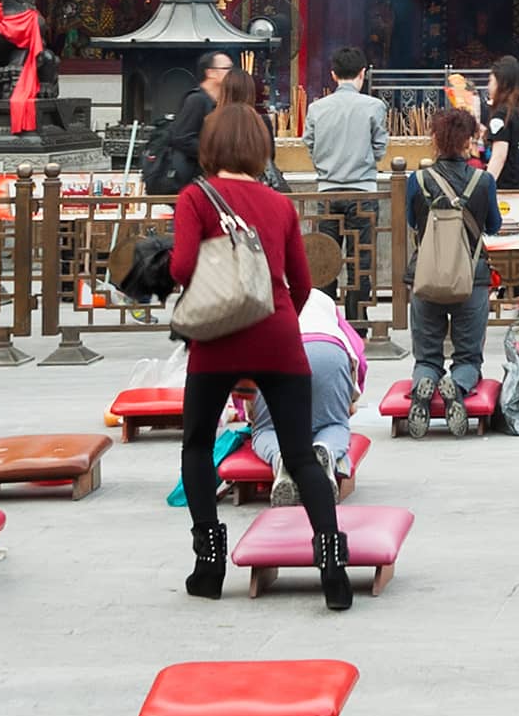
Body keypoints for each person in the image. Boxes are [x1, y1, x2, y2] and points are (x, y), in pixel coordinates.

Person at [170, 102, 356, 610]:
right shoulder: (279, 204)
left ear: (210, 146)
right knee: (300, 454)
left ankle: (209, 566)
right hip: (277, 335)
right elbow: (303, 285)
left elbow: (182, 268)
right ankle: (333, 566)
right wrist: (272, 316)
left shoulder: (195, 198)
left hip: (217, 340)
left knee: (196, 444)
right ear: (260, 149)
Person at [397, 105, 498, 434]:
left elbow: (413, 222)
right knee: (468, 356)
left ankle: (423, 385)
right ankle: (458, 384)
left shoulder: (417, 180)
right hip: (472, 279)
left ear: (435, 140)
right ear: (468, 141)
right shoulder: (483, 181)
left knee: (427, 356)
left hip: (426, 277)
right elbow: (493, 226)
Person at [235, 286, 366, 484]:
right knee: (333, 424)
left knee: (267, 429)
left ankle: (280, 457)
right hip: (327, 351)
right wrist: (351, 397)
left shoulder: (251, 299)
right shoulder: (319, 297)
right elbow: (358, 353)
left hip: (271, 356)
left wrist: (247, 412)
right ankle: (326, 451)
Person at [143, 51, 238, 196]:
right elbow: (182, 138)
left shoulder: (217, 101)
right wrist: (216, 153)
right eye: (227, 69)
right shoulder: (196, 100)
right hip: (189, 177)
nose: (232, 73)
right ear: (211, 72)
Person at [304, 50, 386, 189]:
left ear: (333, 75)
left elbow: (310, 144)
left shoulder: (316, 108)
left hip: (327, 187)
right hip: (364, 187)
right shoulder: (375, 106)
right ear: (362, 73)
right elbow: (379, 148)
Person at [480, 55, 519, 195]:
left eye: (491, 81)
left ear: (501, 84)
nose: (488, 86)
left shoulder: (502, 115)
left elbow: (499, 157)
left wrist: (484, 191)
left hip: (511, 190)